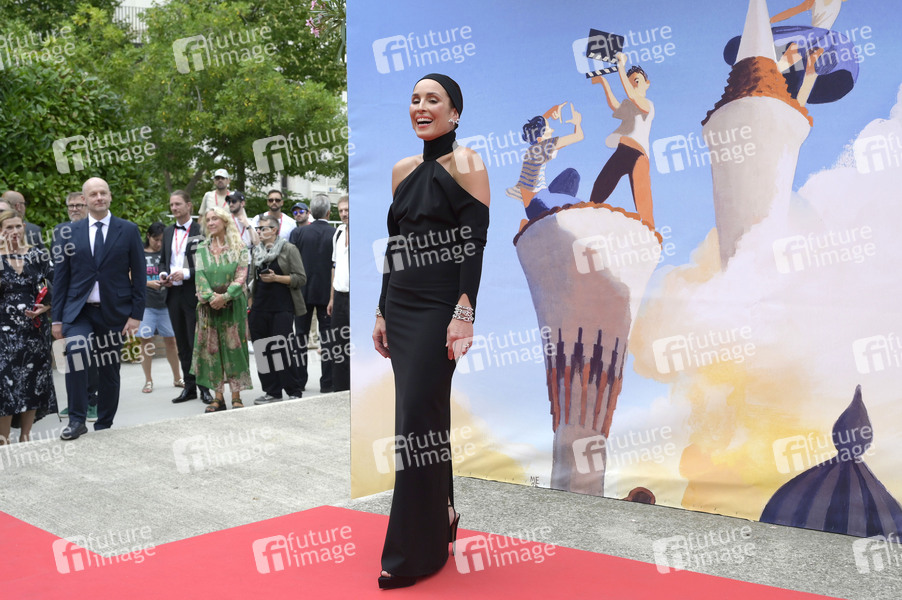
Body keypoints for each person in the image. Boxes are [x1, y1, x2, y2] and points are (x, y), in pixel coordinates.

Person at [373, 73, 490, 589]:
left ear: (454, 113)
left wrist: (465, 310)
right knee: (421, 416)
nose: (421, 107)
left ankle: (412, 554)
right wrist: (381, 310)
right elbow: (395, 246)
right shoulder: (401, 171)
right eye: (415, 99)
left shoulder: (468, 164)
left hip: (441, 305)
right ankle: (442, 514)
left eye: (433, 100)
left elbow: (474, 243)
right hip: (401, 305)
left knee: (417, 420)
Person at [51, 177, 146, 440]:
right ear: (85, 200)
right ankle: (77, 420)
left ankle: (104, 423)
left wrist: (136, 315)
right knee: (76, 353)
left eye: (103, 193)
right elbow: (61, 278)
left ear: (110, 196)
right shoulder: (69, 232)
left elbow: (139, 275)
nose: (99, 197)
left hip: (114, 312)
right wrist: (56, 319)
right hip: (79, 312)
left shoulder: (128, 230)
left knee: (109, 369)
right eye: (93, 194)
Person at [0, 210, 57, 444]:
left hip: (35, 330)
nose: (14, 231)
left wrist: (47, 306)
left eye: (18, 226)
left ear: (24, 227)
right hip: (4, 332)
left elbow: (58, 283)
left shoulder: (37, 255)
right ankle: (3, 440)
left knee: (33, 382)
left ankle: (25, 436)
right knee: (5, 386)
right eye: (8, 228)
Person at [192, 207, 252, 411]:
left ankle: (236, 396)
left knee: (235, 349)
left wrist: (225, 297)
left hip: (233, 306)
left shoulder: (240, 247)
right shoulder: (201, 248)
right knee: (212, 350)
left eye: (215, 218)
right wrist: (211, 298)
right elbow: (200, 277)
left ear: (225, 221)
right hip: (209, 308)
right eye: (208, 219)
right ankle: (218, 397)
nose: (210, 222)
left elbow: (242, 276)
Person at [588, 53, 655, 228]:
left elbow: (632, 95)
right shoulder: (630, 105)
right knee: (600, 186)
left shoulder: (647, 104)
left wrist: (621, 66)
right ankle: (589, 219)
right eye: (630, 82)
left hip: (639, 154)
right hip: (622, 150)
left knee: (642, 199)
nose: (633, 84)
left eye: (637, 81)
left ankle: (650, 231)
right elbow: (614, 105)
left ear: (647, 84)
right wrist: (604, 82)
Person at [248, 214, 307, 404]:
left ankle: (293, 389)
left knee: (282, 350)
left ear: (274, 230)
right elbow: (252, 280)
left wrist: (277, 278)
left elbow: (301, 278)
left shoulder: (289, 249)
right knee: (262, 351)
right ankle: (272, 391)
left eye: (263, 229)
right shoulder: (256, 251)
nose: (259, 232)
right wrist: (250, 306)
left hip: (282, 307)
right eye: (258, 229)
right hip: (259, 307)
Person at [162, 191, 213, 405]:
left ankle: (205, 388)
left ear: (189, 206)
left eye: (178, 204)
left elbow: (209, 262)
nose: (174, 208)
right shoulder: (167, 231)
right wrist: (163, 275)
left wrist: (187, 273)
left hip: (194, 292)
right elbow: (164, 260)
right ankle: (189, 387)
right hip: (173, 293)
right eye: (172, 205)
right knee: (182, 342)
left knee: (197, 343)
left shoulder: (201, 230)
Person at [54, 192, 98, 422]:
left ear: (87, 206)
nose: (74, 209)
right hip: (71, 306)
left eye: (78, 205)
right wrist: (56, 315)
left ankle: (92, 400)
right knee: (73, 354)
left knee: (93, 355)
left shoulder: (96, 230)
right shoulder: (60, 231)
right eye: (70, 205)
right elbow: (58, 273)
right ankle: (76, 403)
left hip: (96, 305)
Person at [506, 103, 583, 219]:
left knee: (571, 174)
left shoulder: (534, 149)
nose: (552, 130)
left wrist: (551, 111)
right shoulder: (543, 147)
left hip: (533, 205)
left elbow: (538, 126)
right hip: (539, 204)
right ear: (540, 139)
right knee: (580, 203)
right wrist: (577, 122)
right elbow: (578, 136)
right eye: (549, 131)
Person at [291, 194, 335, 393]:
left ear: (310, 212)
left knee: (300, 337)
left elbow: (292, 262)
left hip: (302, 292)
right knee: (328, 338)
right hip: (327, 293)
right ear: (329, 212)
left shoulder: (298, 233)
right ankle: (327, 382)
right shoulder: (335, 233)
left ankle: (299, 382)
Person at [138, 222, 182, 393]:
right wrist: (148, 283)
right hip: (146, 305)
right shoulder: (139, 253)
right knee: (146, 341)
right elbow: (130, 277)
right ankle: (148, 380)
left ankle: (177, 378)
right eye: (155, 239)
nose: (159, 243)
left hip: (166, 303)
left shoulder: (169, 252)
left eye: (162, 240)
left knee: (172, 341)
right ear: (148, 236)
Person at [327, 195, 350, 392]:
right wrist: (332, 298)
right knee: (338, 345)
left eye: (347, 210)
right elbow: (334, 267)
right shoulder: (338, 233)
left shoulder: (361, 233)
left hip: (356, 297)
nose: (343, 214)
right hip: (340, 296)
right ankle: (339, 389)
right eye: (341, 210)